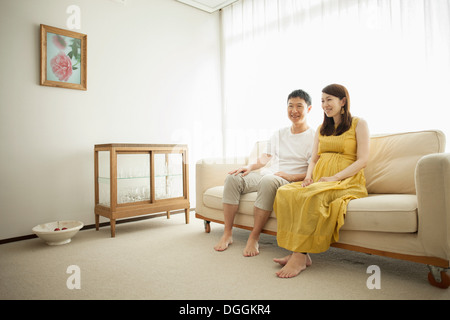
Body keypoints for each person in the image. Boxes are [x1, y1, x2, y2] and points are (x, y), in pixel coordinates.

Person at [273, 84, 370, 278]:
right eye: (322, 101)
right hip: (319, 178)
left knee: (312, 197)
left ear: (343, 101)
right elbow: (314, 159)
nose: (325, 105)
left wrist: (335, 177)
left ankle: (299, 257)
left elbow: (363, 159)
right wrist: (309, 177)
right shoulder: (321, 128)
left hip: (346, 180)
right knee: (286, 192)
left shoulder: (359, 124)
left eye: (329, 100)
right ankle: (297, 251)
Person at [214, 89, 315, 257]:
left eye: (299, 106)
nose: (294, 110)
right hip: (268, 174)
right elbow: (264, 158)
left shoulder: (314, 137)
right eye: (290, 106)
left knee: (269, 180)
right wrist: (249, 167)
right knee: (233, 178)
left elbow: (313, 169)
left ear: (309, 109)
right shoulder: (279, 133)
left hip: (288, 180)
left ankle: (254, 237)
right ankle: (227, 233)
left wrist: (291, 176)